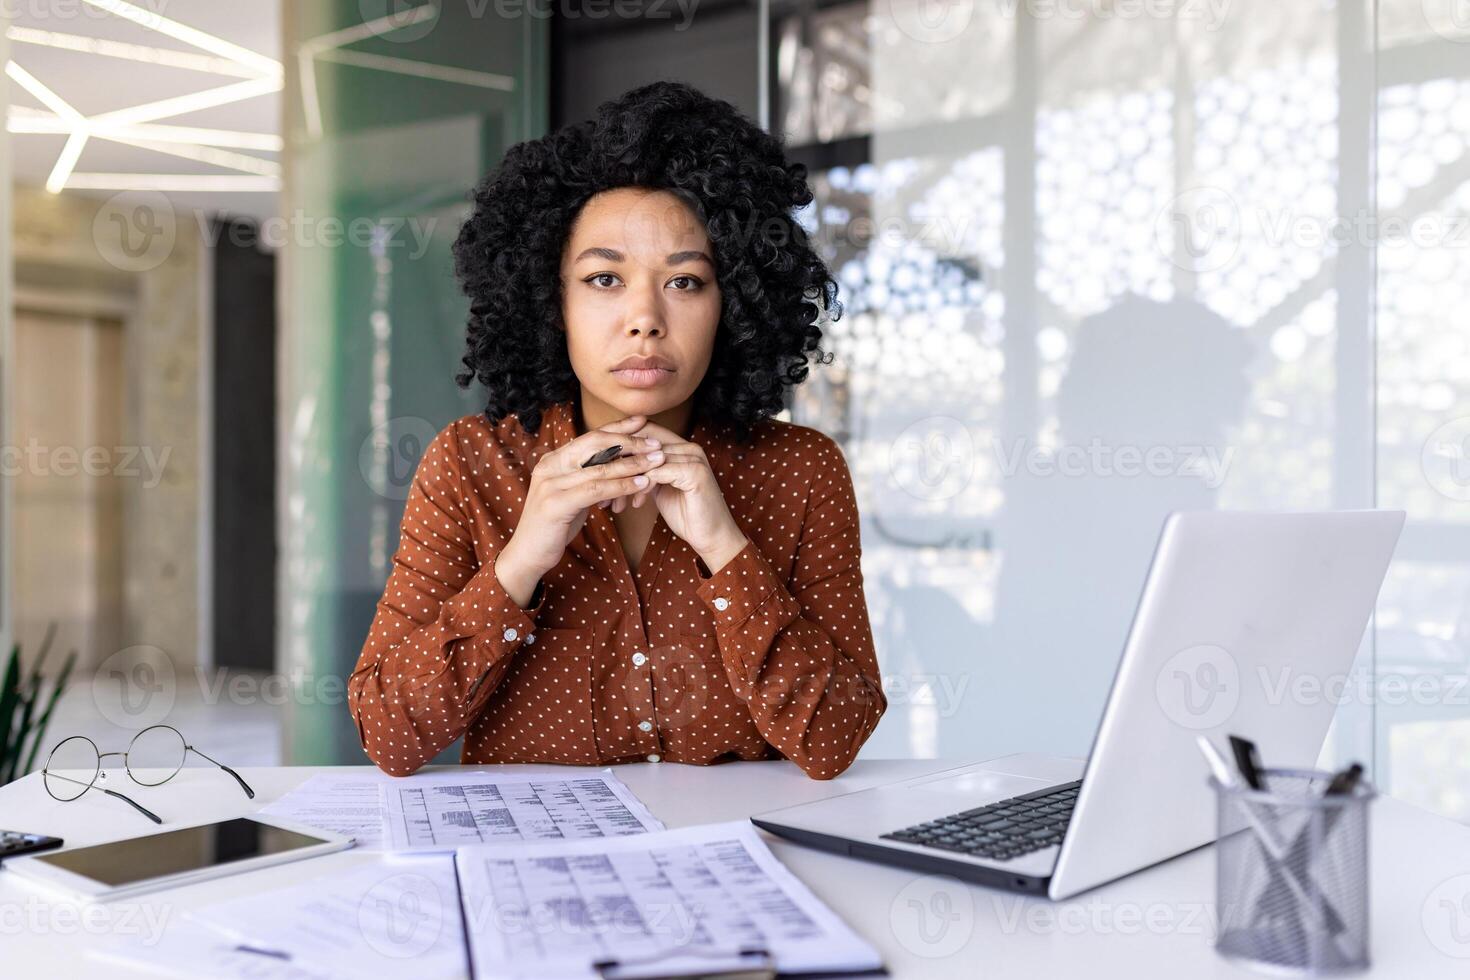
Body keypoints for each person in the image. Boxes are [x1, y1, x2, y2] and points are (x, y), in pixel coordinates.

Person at [347, 81, 886, 780]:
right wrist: (521, 561)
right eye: (605, 280)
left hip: (732, 867)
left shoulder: (801, 471)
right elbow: (387, 734)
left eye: (685, 282)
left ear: (734, 304)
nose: (645, 318)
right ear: (552, 300)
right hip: (534, 868)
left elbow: (834, 739)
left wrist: (725, 549)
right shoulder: (470, 465)